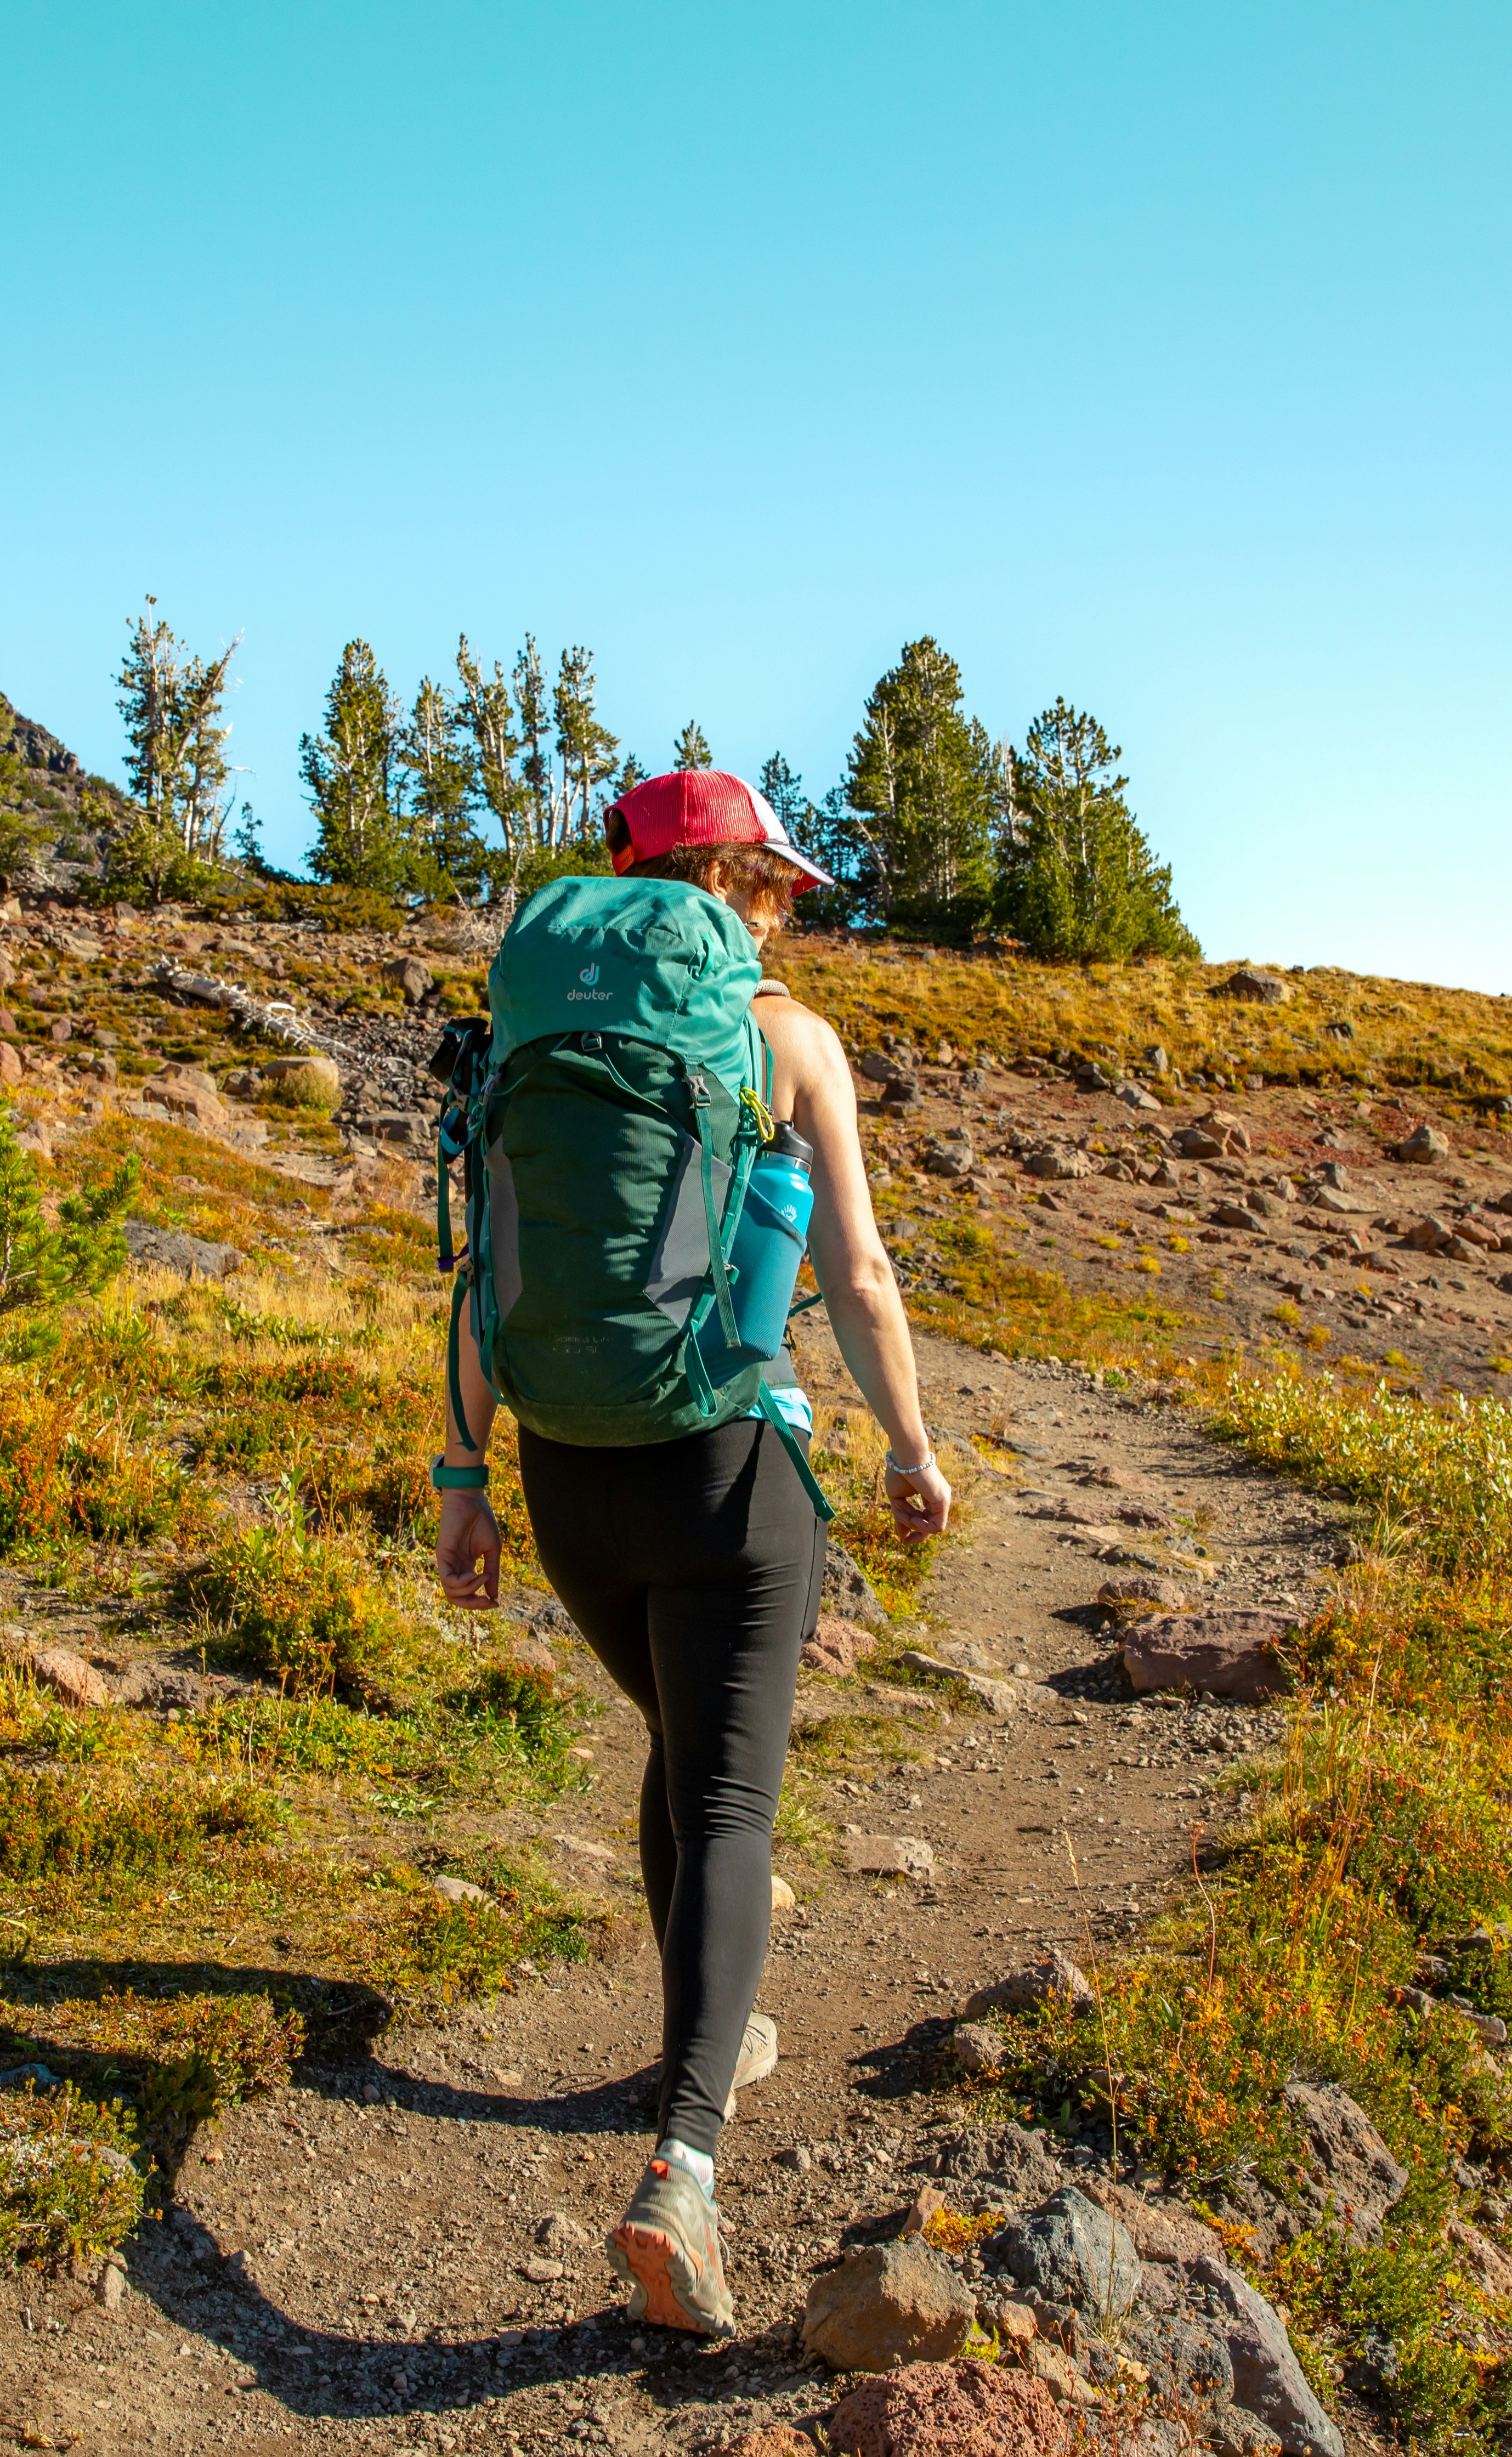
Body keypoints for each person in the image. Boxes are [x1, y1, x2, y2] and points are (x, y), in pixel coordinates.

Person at [433, 768, 956, 2337]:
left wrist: (463, 1478)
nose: (788, 906)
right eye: (778, 886)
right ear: (744, 884)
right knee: (728, 1793)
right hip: (727, 1473)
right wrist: (915, 1452)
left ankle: (688, 2048)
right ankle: (687, 2167)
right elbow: (858, 1274)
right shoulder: (787, 1039)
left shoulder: (532, 1035)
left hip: (565, 1472)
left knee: (678, 1752)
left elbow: (483, 1270)